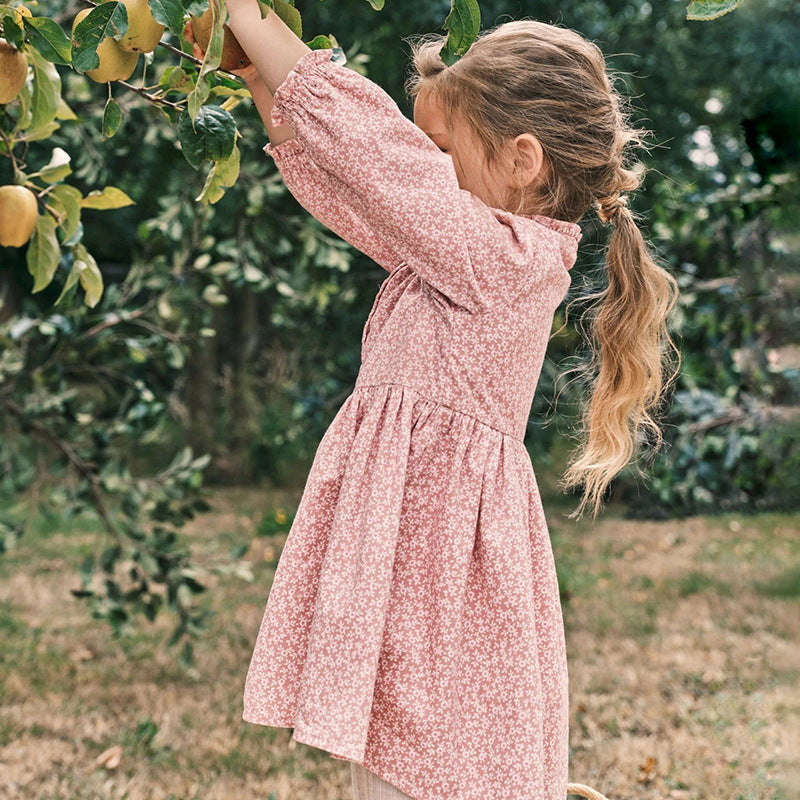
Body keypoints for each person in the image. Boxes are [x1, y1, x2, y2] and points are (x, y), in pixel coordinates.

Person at [208, 2, 678, 798]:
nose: (427, 170)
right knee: (404, 751)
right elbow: (361, 191)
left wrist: (248, 14)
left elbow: (381, 158)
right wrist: (264, 84)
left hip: (435, 555)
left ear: (522, 160)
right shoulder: (463, 248)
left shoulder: (505, 258)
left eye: (440, 152)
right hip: (413, 539)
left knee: (424, 759)